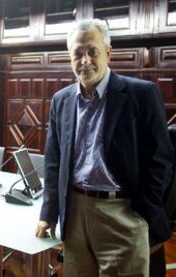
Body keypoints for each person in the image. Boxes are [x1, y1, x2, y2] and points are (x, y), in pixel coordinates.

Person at [35, 19, 173, 276]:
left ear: (108, 52)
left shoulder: (142, 94)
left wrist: (141, 213)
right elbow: (54, 161)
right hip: (74, 212)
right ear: (69, 57)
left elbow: (161, 161)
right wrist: (49, 213)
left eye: (92, 51)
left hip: (122, 212)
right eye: (78, 53)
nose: (85, 60)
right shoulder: (61, 100)